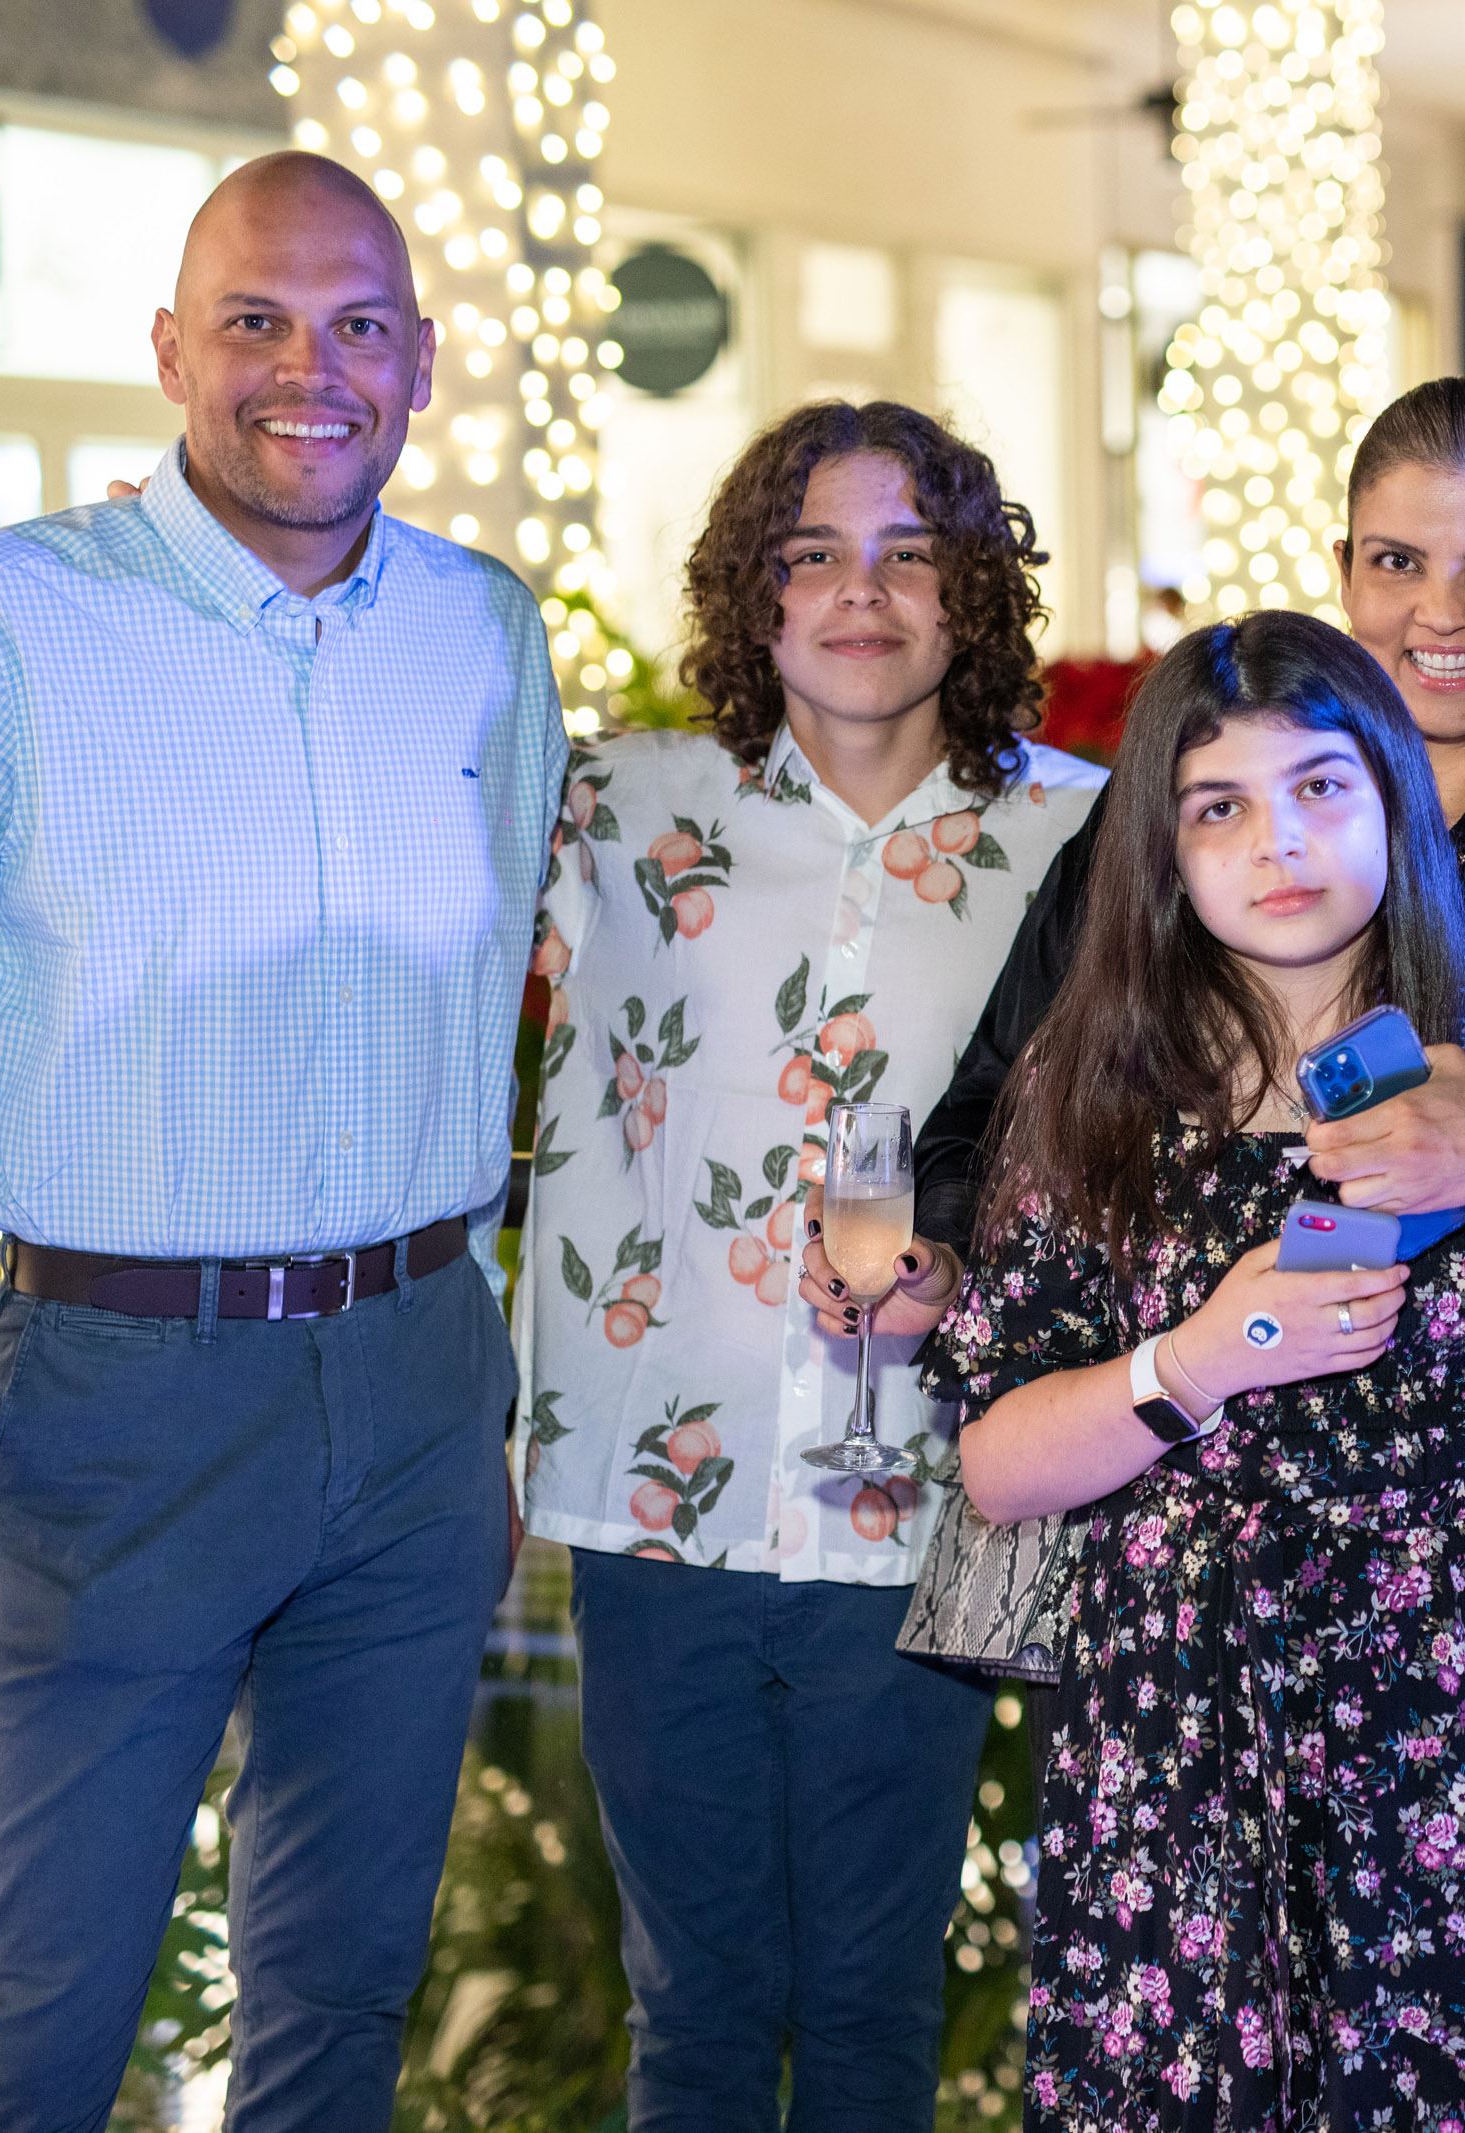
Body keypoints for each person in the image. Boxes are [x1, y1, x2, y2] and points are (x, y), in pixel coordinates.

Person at [0, 153, 563, 2129]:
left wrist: (495, 1414)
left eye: (359, 324)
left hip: (421, 1378)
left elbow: (513, 1021)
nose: (311, 369)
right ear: (169, 349)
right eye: (256, 321)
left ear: (423, 361)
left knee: (345, 2000)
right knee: (41, 2018)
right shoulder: (1, 624)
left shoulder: (483, 631)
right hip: (121, 1398)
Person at [884, 375, 1465, 1706]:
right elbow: (992, 1126)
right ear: (1345, 574)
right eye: (1400, 561)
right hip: (1169, 1645)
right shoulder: (1158, 835)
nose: (1444, 612)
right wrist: (957, 1269)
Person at [930, 611, 1465, 2128]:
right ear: (1164, 847)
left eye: (1325, 790)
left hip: (1463, 1718)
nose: (1284, 843)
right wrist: (1197, 1358)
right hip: (1189, 1723)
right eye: (1224, 808)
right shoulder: (1095, 1084)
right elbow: (999, 1462)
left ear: (1394, 802)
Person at [513, 399, 1105, 2128]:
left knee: (869, 2009)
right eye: (814, 553)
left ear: (973, 592)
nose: (862, 592)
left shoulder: (1084, 836)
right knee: (686, 2015)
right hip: (655, 1497)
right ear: (750, 594)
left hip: (930, 1498)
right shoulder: (613, 806)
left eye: (910, 553)